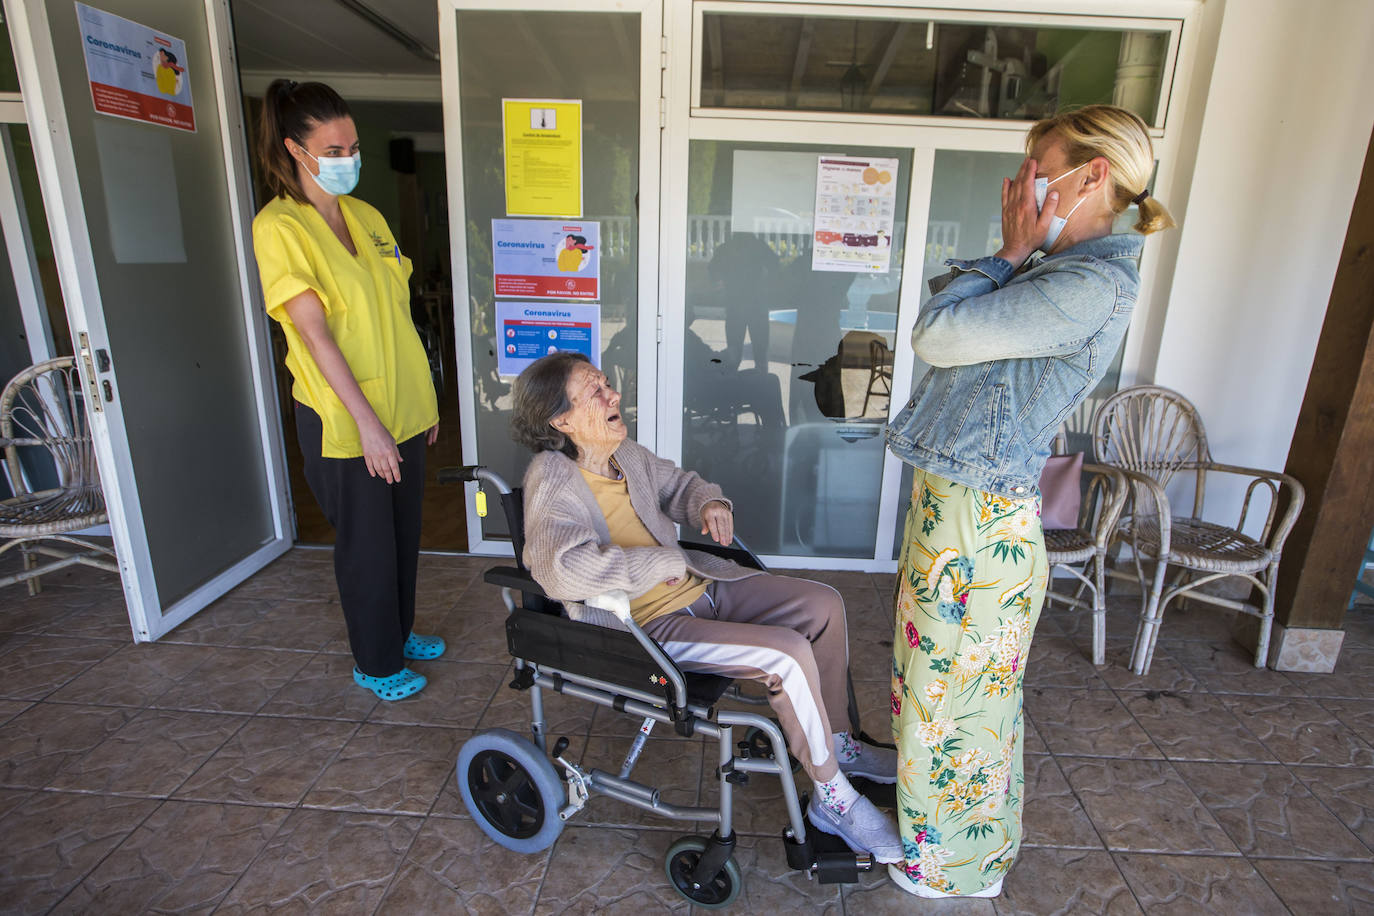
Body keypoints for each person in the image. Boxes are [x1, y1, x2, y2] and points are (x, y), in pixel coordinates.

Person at [884, 105, 1175, 898]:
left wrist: (1009, 250)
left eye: (1041, 168)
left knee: (957, 708)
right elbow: (959, 332)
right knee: (944, 694)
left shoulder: (1087, 284)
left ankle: (954, 869)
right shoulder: (1059, 273)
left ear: (1095, 176)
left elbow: (937, 336)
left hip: (978, 521)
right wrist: (1017, 257)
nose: (1025, 184)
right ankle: (952, 848)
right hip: (962, 506)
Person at [512, 351, 901, 862]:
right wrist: (655, 565)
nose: (614, 396)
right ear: (560, 420)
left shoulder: (622, 453)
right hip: (648, 625)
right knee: (784, 655)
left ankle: (835, 740)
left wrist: (709, 504)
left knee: (823, 604)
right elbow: (558, 568)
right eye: (596, 391)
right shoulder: (552, 479)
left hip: (702, 587)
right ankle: (832, 797)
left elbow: (679, 484)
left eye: (608, 383)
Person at [251, 80, 443, 701]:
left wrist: (424, 401)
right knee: (366, 543)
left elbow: (397, 316)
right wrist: (367, 425)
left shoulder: (367, 218)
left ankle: (398, 630)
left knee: (402, 532)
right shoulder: (280, 227)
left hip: (403, 407)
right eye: (333, 150)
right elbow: (315, 337)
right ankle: (377, 662)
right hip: (345, 418)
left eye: (352, 146)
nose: (348, 159)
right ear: (294, 150)